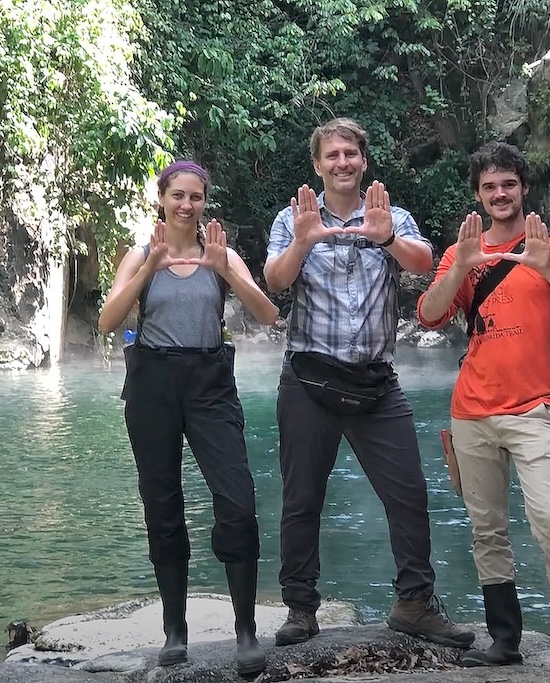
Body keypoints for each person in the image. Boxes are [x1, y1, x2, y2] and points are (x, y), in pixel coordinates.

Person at [263, 117, 475, 649]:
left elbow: (426, 264)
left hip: (377, 382)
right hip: (309, 377)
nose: (342, 163)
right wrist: (304, 241)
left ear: (363, 161)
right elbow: (275, 280)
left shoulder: (392, 215)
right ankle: (300, 608)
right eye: (332, 155)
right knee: (301, 498)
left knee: (409, 494)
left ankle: (414, 603)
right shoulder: (294, 219)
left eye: (350, 154)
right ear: (317, 165)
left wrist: (386, 239)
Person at [416, 141, 550, 680]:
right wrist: (461, 268)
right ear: (477, 194)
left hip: (535, 410)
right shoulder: (463, 252)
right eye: (489, 187)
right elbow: (429, 315)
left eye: (509, 185)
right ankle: (505, 639)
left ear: (523, 189)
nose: (500, 194)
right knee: (487, 528)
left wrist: (548, 269)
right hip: (471, 411)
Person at [97, 160, 279, 676]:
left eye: (195, 197)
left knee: (238, 501)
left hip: (210, 384)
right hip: (153, 384)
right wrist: (149, 269)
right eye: (177, 195)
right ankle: (175, 630)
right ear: (161, 198)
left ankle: (245, 630)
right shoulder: (139, 254)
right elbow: (108, 320)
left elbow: (268, 315)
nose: (186, 205)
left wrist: (224, 271)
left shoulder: (218, 254)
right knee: (162, 502)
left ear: (204, 202)